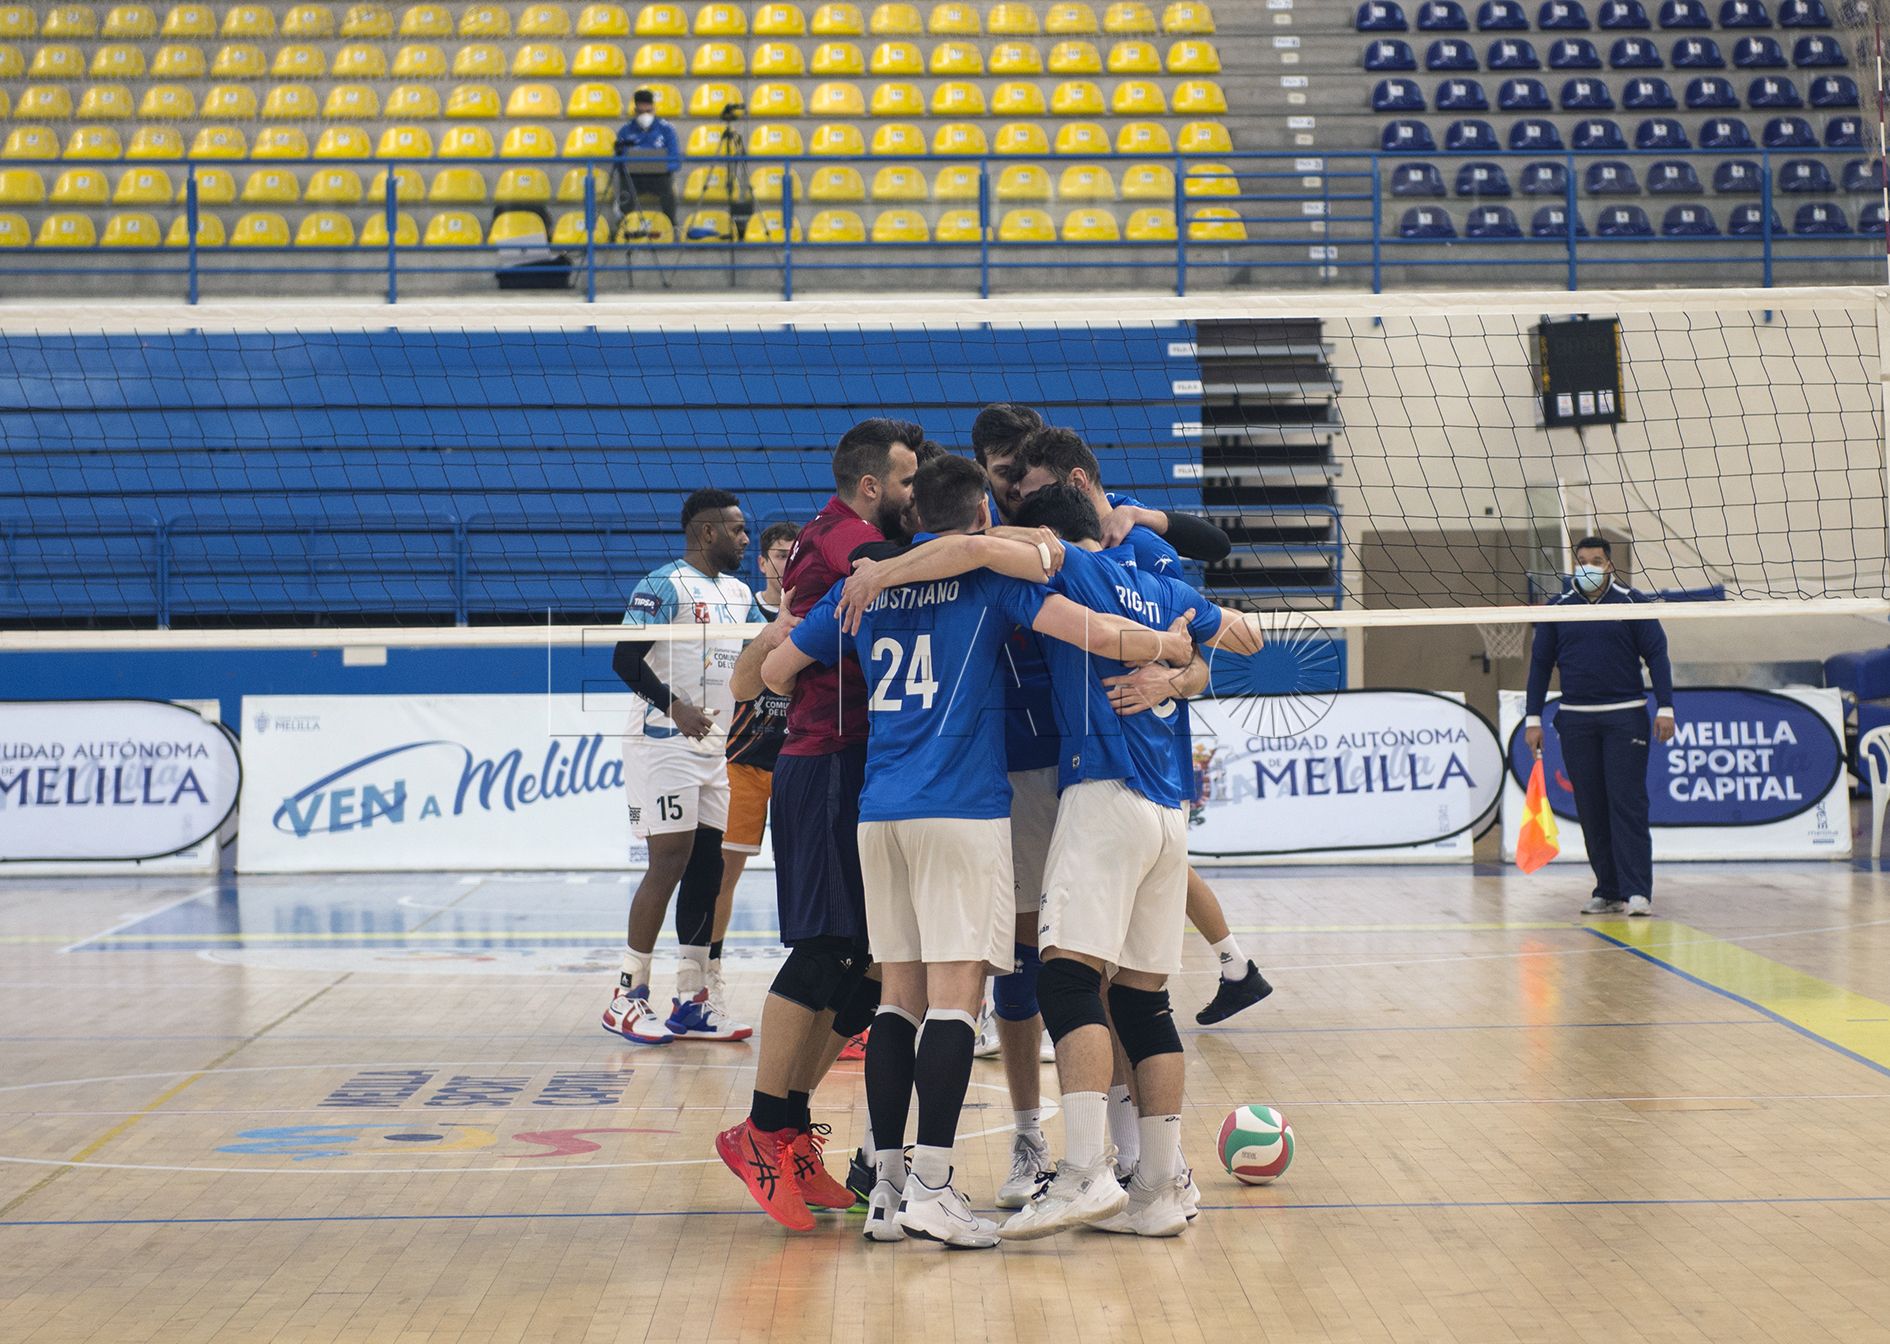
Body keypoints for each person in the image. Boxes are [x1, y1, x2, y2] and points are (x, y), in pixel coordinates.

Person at [764, 454, 1198, 1247]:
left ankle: (889, 1192)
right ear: (979, 519)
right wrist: (1169, 650)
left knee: (897, 997)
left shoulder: (867, 580)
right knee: (958, 997)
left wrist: (789, 616)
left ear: (912, 513)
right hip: (961, 810)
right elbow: (1096, 632)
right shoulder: (990, 581)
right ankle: (935, 1186)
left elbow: (770, 672)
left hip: (878, 809)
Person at [992, 483, 1259, 1239]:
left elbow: (999, 552)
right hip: (1169, 813)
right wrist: (1181, 664)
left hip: (1103, 794)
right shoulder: (1165, 585)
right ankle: (1158, 1192)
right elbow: (1251, 640)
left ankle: (1081, 1173)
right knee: (1144, 1003)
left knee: (1066, 977)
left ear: (1054, 535)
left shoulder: (1070, 568)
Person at [715, 417, 921, 1232]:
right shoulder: (846, 539)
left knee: (867, 962)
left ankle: (792, 1127)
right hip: (824, 760)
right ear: (872, 486)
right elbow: (889, 572)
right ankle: (764, 1128)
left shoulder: (838, 534)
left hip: (859, 764)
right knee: (824, 948)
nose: (912, 494)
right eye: (907, 480)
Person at [1015, 427, 1274, 1029]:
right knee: (1129, 968)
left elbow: (1204, 642)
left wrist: (1173, 675)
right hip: (1103, 756)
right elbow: (1202, 635)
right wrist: (1173, 653)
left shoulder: (1137, 549)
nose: (1020, 505)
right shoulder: (1076, 556)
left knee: (1087, 969)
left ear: (1073, 484)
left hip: (1130, 760)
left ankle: (1101, 1049)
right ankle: (1233, 967)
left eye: (1030, 491)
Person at [606, 489, 759, 1045]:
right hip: (662, 740)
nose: (747, 538)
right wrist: (675, 705)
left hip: (712, 745)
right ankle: (626, 994)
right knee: (668, 860)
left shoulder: (740, 593)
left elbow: (763, 650)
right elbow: (624, 658)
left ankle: (691, 1000)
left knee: (708, 868)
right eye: (738, 529)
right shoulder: (661, 585)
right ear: (707, 532)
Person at [1523, 536, 1676, 917]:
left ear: (1609, 565)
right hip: (1576, 719)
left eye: (1596, 561)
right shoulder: (1558, 608)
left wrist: (1666, 708)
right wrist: (1532, 718)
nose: (1588, 567)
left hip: (1625, 716)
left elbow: (1656, 654)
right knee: (1591, 808)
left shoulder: (1631, 602)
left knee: (1627, 804)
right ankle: (1607, 889)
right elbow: (1541, 665)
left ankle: (1638, 891)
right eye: (1582, 561)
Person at [712, 522, 798, 988]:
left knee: (805, 880)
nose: (787, 563)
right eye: (780, 555)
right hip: (743, 761)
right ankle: (707, 974)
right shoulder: (740, 610)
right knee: (722, 877)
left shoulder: (814, 607)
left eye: (794, 554)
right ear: (763, 562)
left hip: (797, 763)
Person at [613, 88, 681, 232]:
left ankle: (672, 226)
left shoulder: (666, 129)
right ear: (634, 110)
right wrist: (629, 163)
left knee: (668, 189)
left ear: (654, 109)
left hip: (659, 177)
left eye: (648, 111)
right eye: (641, 112)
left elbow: (675, 160)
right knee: (625, 187)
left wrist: (661, 166)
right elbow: (618, 161)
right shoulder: (625, 130)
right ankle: (624, 228)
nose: (645, 115)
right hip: (634, 177)